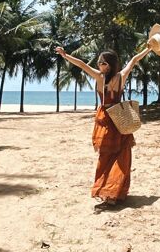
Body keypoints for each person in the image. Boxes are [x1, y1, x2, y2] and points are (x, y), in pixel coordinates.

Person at [55, 44, 152, 208]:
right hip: (116, 118)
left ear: (111, 64)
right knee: (107, 156)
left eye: (104, 63)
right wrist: (66, 56)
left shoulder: (113, 76)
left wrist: (149, 49)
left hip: (114, 119)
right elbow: (82, 64)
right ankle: (110, 191)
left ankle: (113, 193)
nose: (100, 65)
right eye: (100, 62)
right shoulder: (106, 76)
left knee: (121, 157)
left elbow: (135, 60)